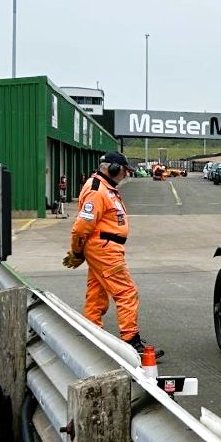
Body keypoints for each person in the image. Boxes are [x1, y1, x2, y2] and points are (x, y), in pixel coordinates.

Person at [63, 151, 163, 357]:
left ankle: (92, 336)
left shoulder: (107, 189)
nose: (126, 175)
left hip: (106, 247)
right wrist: (77, 251)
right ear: (113, 168)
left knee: (97, 294)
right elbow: (82, 226)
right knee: (126, 292)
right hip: (105, 249)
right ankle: (131, 341)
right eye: (124, 171)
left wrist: (81, 252)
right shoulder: (97, 190)